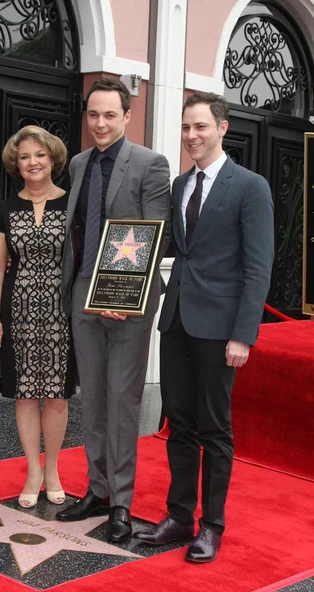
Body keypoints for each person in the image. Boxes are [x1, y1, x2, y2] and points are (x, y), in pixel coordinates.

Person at [134, 92, 274, 562]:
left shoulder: (250, 186)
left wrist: (243, 334)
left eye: (200, 127)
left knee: (215, 429)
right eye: (186, 128)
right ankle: (178, 516)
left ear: (222, 128)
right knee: (179, 425)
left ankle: (211, 525)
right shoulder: (178, 185)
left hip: (219, 329)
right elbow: (171, 247)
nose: (192, 136)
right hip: (175, 322)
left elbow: (258, 267)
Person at [56, 77, 171, 542]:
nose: (100, 123)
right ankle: (97, 489)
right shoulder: (80, 163)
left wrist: (123, 294)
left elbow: (154, 230)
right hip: (83, 292)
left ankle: (121, 502)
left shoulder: (150, 163)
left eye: (109, 114)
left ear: (126, 116)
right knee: (95, 397)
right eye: (93, 115)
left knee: (123, 400)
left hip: (129, 299)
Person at [0, 125, 76, 508]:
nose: (32, 162)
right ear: (15, 165)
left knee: (56, 396)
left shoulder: (73, 204)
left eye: (39, 154)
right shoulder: (5, 209)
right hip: (17, 310)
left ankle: (52, 469)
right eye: (24, 157)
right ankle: (32, 472)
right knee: (24, 395)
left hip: (61, 312)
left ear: (52, 158)